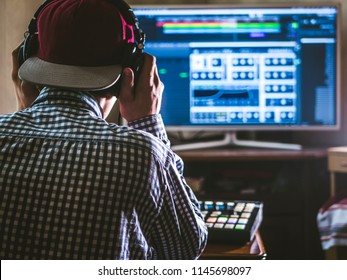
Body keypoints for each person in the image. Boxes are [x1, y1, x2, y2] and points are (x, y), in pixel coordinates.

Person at [0, 0, 207, 260]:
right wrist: (148, 123)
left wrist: (25, 114)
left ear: (27, 57)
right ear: (132, 68)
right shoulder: (143, 154)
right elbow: (186, 249)